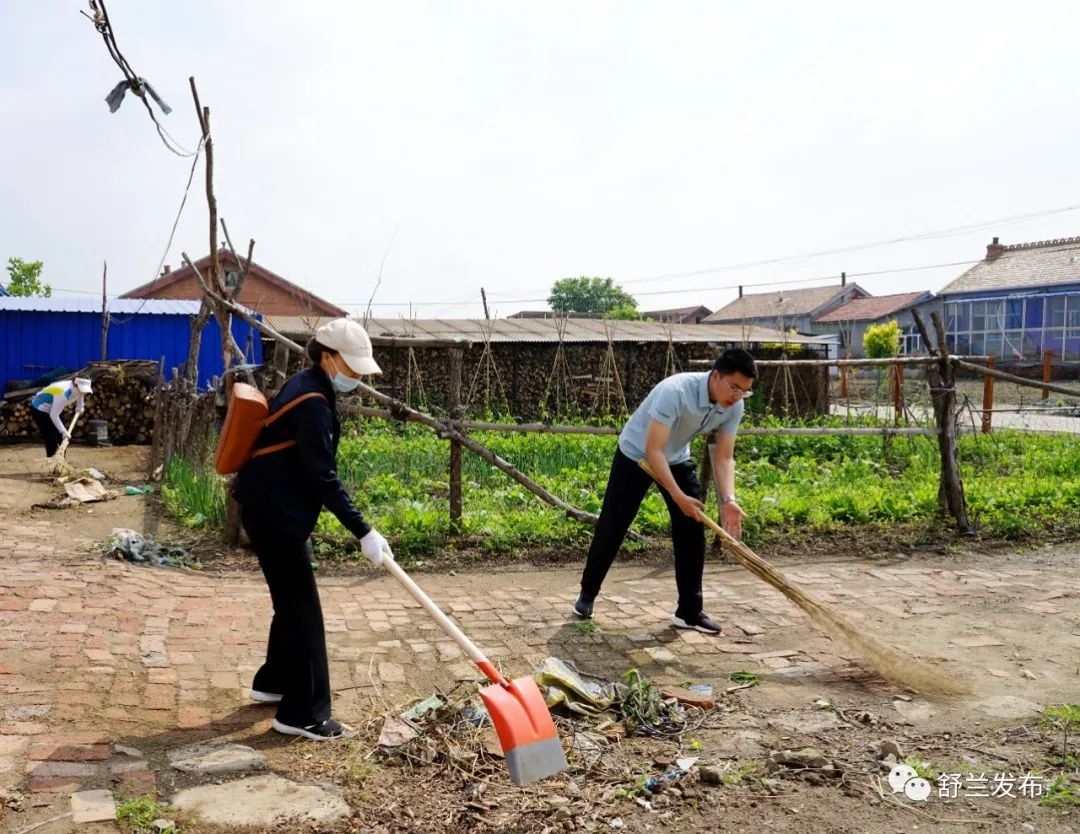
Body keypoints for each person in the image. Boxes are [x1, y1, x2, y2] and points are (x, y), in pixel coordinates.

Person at [233, 318, 392, 741]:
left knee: (291, 603)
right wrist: (364, 531)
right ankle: (302, 714)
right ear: (328, 357)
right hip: (274, 515)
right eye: (351, 366)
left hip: (268, 508)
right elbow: (322, 476)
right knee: (303, 611)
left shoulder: (306, 385)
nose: (357, 375)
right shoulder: (313, 401)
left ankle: (273, 682)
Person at [574, 348, 758, 635]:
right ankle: (587, 594)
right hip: (636, 454)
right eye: (734, 387)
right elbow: (653, 450)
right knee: (613, 525)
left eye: (745, 391)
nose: (738, 396)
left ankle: (689, 611)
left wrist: (728, 500)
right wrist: (677, 495)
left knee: (692, 526)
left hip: (676, 457)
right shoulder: (675, 391)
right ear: (716, 376)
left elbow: (724, 457)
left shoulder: (734, 406)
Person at [30, 377, 93, 457]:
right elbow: (54, 415)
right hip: (40, 409)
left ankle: (61, 460)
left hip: (53, 408)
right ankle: (52, 461)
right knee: (51, 437)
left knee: (62, 439)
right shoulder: (62, 392)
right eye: (82, 389)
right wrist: (63, 432)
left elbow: (81, 393)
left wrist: (80, 406)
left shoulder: (78, 389)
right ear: (75, 385)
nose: (84, 392)